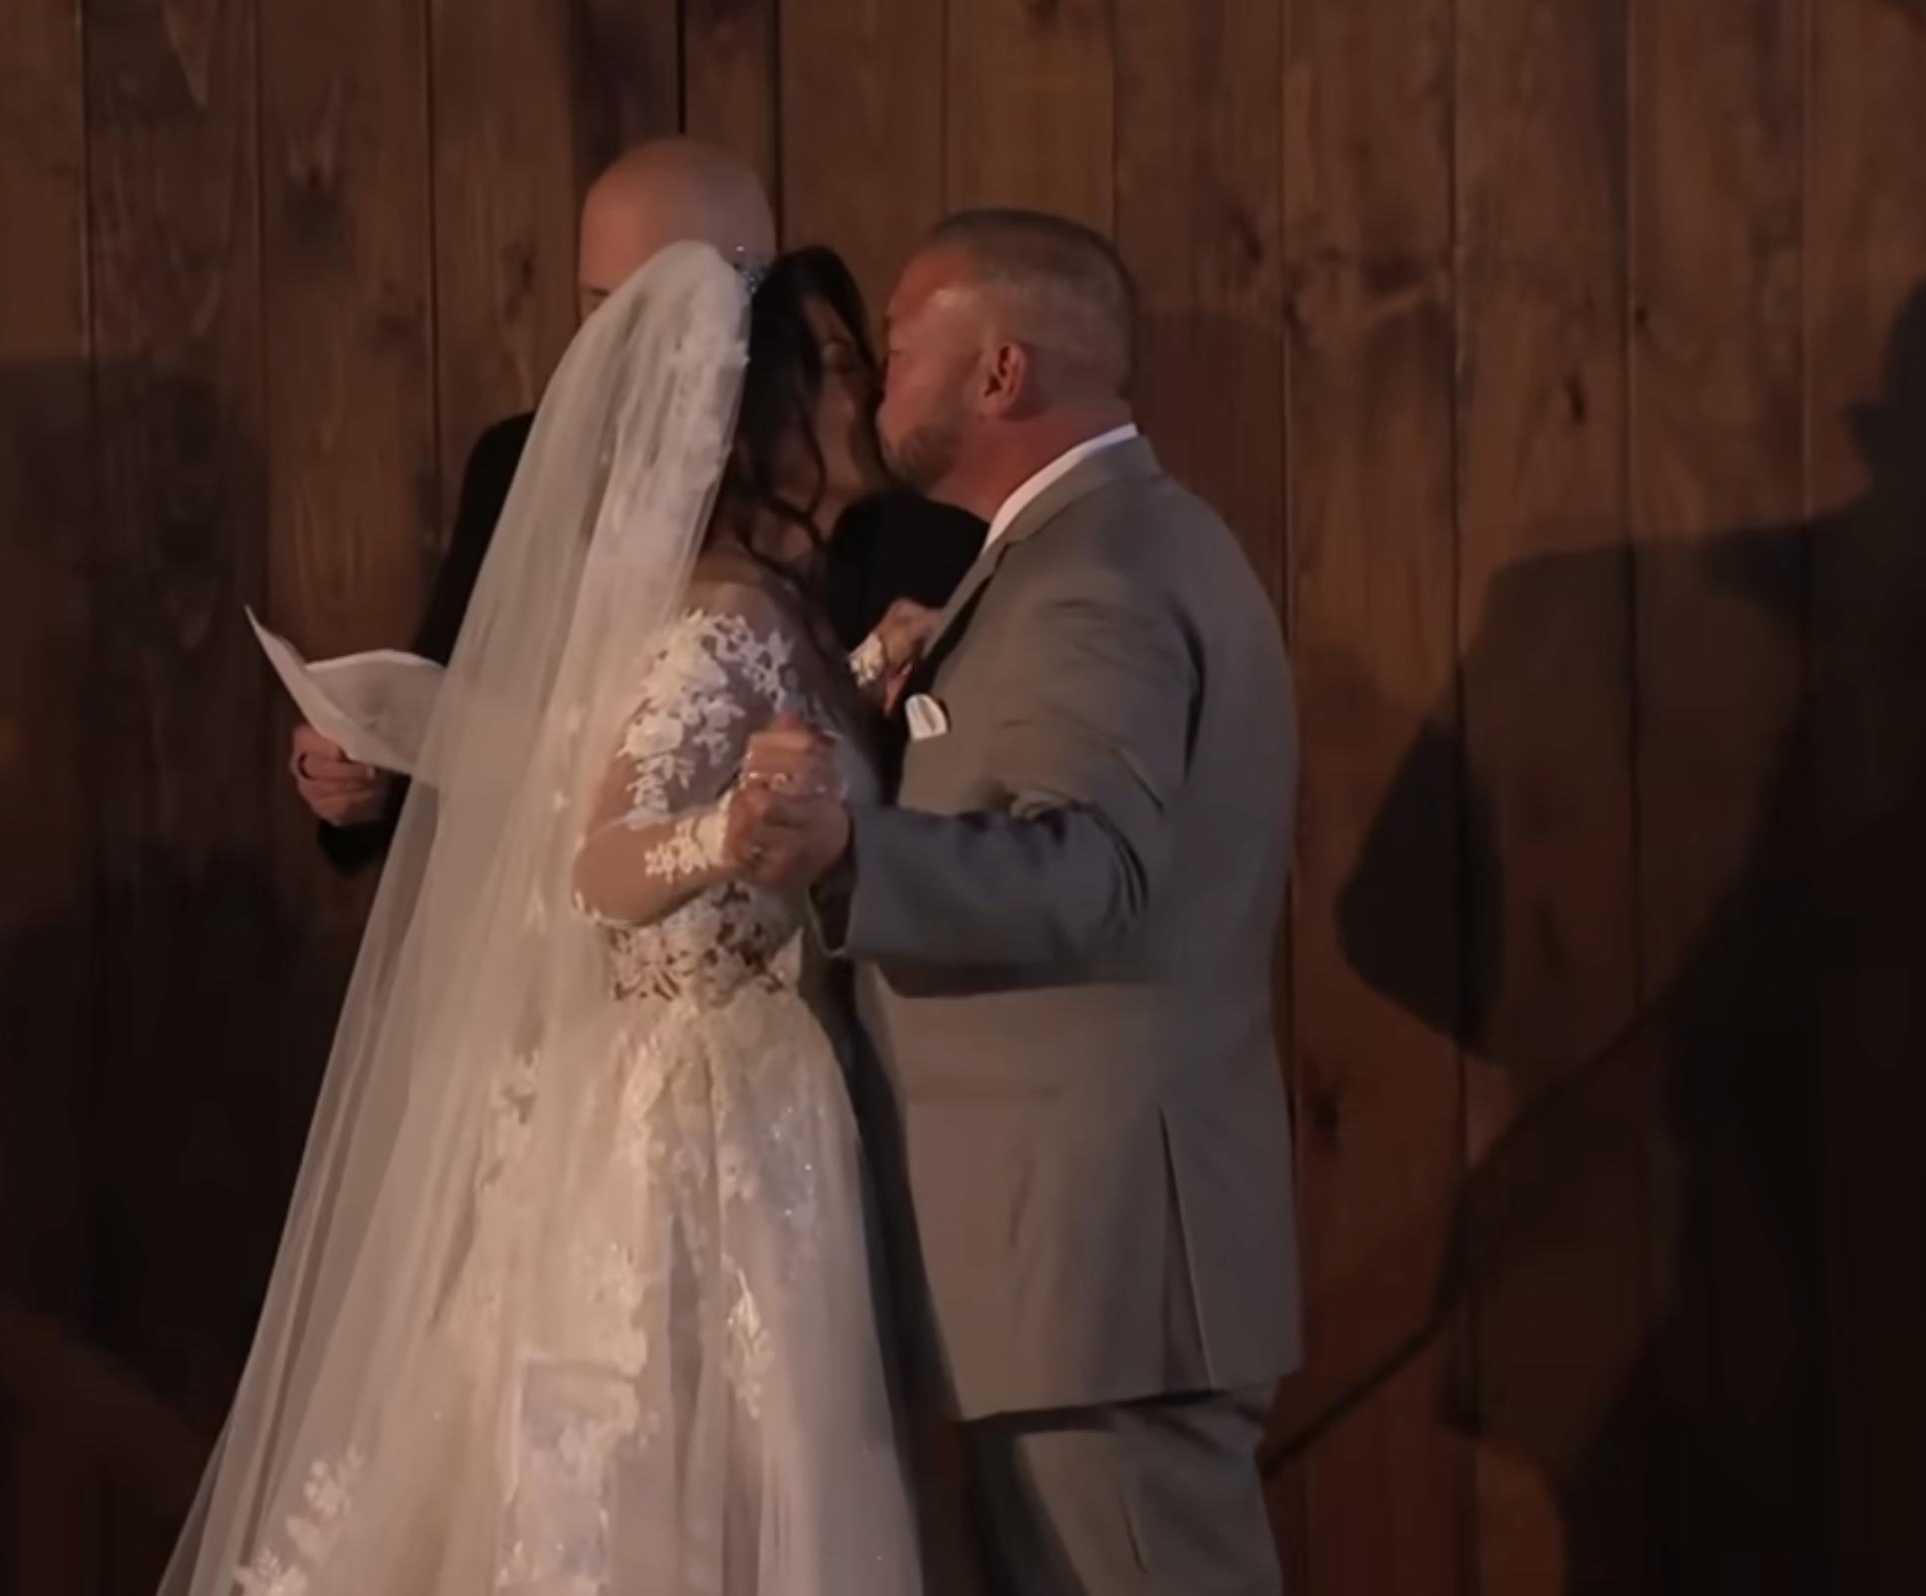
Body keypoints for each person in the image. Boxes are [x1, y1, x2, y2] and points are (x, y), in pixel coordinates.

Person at [161, 243, 936, 1594]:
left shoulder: (777, 608)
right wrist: (729, 838)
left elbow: (769, 743)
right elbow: (606, 861)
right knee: (674, 1471)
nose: (862, 403)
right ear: (763, 422)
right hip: (701, 1116)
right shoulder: (714, 624)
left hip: (761, 1085)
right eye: (837, 377)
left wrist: (869, 673)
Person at [732, 209, 1300, 1593]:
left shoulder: (1094, 571)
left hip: (1097, 1274)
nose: (872, 385)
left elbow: (1092, 874)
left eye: (902, 349)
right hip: (1078, 1274)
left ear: (999, 373)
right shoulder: (1074, 554)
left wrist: (847, 849)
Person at [294, 139, 982, 871]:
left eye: (669, 307)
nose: (633, 343)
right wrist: (360, 774)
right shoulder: (519, 462)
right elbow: (449, 708)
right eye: (603, 306)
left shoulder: (901, 506)